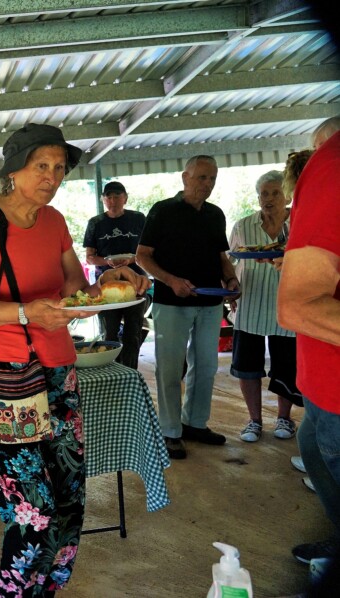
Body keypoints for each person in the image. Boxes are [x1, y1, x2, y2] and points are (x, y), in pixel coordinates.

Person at [0, 123, 149, 596]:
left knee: (70, 504)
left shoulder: (54, 221)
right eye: (41, 165)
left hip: (58, 373)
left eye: (59, 168)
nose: (52, 176)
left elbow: (76, 290)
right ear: (13, 169)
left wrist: (113, 281)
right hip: (4, 380)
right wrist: (24, 313)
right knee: (34, 516)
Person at [136, 155, 240, 460]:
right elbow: (142, 256)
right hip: (171, 301)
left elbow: (221, 257)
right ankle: (170, 431)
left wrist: (231, 279)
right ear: (185, 177)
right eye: (201, 177)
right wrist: (171, 281)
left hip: (210, 300)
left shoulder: (215, 214)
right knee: (169, 368)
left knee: (206, 366)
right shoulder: (163, 210)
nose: (207, 184)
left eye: (212, 178)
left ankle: (195, 423)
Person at [278, 118, 340, 569]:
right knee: (314, 446)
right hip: (320, 374)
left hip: (333, 378)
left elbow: (297, 307)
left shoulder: (330, 164)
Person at [228, 170, 301, 443]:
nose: (268, 199)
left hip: (289, 306)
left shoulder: (300, 222)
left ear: (287, 196)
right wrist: (230, 287)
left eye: (275, 193)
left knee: (287, 366)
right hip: (251, 303)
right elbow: (231, 261)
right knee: (247, 367)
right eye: (264, 194)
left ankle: (284, 417)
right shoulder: (243, 226)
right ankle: (254, 420)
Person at [82, 180, 148, 369]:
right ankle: (110, 370)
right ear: (103, 200)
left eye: (117, 196)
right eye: (108, 197)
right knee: (109, 332)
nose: (112, 201)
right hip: (107, 287)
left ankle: (130, 371)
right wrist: (108, 263)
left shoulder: (138, 219)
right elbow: (89, 258)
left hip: (136, 284)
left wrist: (132, 260)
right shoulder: (96, 223)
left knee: (133, 332)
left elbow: (148, 251)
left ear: (125, 198)